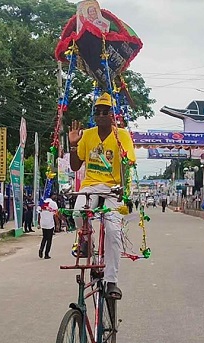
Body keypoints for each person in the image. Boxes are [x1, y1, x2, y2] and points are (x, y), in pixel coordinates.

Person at [69, 92, 136, 300]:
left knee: (113, 231)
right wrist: (73, 144)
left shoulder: (122, 135)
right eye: (96, 112)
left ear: (113, 115)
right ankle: (89, 245)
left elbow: (128, 165)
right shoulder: (87, 135)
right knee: (78, 214)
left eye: (104, 112)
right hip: (90, 185)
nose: (100, 115)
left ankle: (111, 281)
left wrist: (124, 191)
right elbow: (74, 165)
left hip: (113, 188)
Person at [39, 194, 59, 259]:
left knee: (44, 237)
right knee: (49, 239)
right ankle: (46, 254)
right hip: (50, 223)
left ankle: (41, 249)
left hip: (43, 223)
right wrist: (57, 224)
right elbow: (56, 214)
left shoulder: (42, 203)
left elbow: (39, 213)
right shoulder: (53, 203)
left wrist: (39, 223)